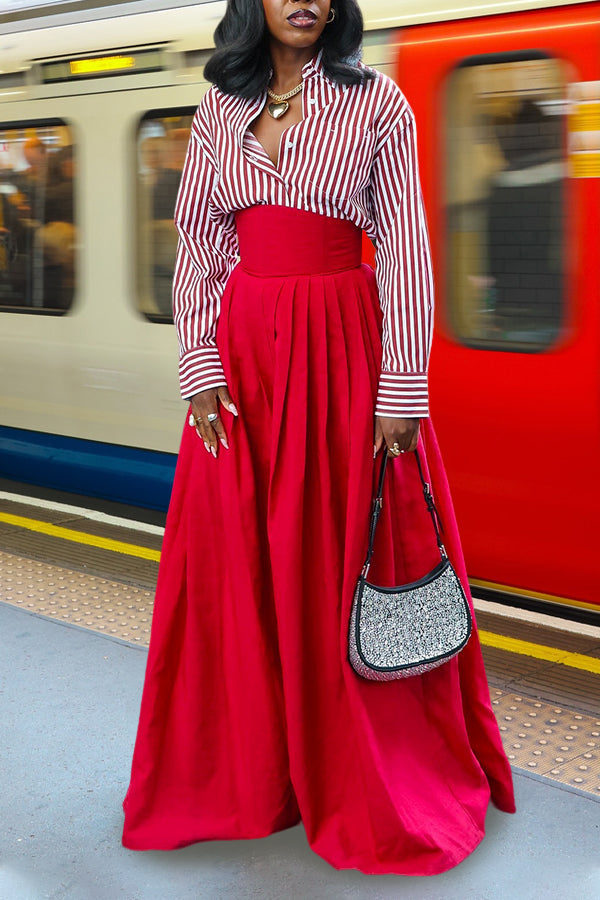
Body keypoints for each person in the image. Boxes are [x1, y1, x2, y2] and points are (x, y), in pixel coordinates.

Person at [122, 0, 515, 876]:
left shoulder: (377, 101)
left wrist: (402, 381)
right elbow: (198, 241)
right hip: (243, 357)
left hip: (341, 348)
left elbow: (406, 240)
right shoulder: (220, 105)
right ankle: (261, 771)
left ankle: (350, 769)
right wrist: (199, 363)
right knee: (242, 562)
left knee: (339, 558)